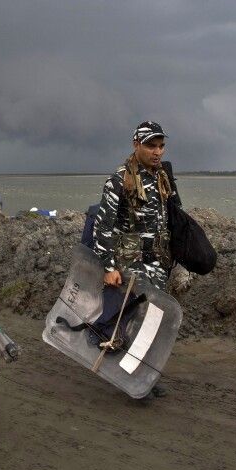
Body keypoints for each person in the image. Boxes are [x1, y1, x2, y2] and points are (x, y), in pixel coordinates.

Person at [92, 121, 180, 399]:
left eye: (161, 146)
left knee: (154, 322)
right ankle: (132, 378)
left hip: (157, 264)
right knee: (135, 321)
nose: (157, 152)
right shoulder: (119, 180)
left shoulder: (162, 178)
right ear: (136, 145)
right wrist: (109, 268)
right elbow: (101, 228)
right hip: (130, 264)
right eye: (151, 146)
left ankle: (144, 377)